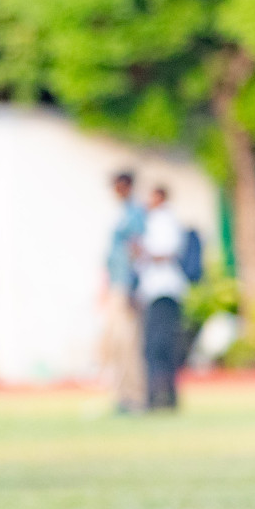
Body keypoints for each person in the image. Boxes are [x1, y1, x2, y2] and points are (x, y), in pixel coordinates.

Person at [137, 185, 189, 410]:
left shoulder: (164, 220)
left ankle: (162, 397)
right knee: (156, 346)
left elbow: (165, 252)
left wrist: (142, 252)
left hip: (164, 291)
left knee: (159, 346)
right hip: (155, 292)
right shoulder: (153, 220)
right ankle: (160, 396)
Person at [104, 170, 146, 413]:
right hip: (115, 285)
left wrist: (132, 285)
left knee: (129, 343)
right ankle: (120, 395)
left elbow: (136, 251)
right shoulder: (119, 213)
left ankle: (135, 397)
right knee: (115, 344)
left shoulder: (134, 214)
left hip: (126, 286)